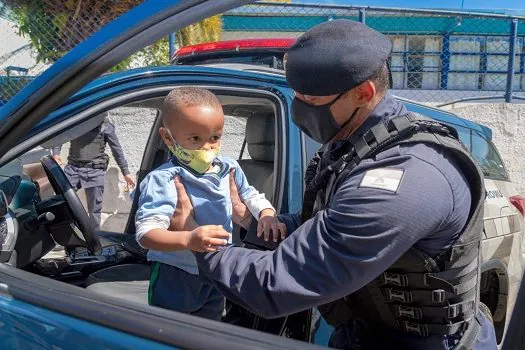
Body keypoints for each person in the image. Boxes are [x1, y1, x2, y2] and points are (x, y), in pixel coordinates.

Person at [170, 20, 498, 349]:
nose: (299, 108)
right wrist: (250, 219)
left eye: (310, 99)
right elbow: (325, 224)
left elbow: (275, 285)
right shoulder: (354, 147)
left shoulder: (404, 177)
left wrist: (198, 239)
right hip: (364, 335)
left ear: (364, 93)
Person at [134, 87, 285, 320]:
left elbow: (250, 194)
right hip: (176, 274)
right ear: (167, 138)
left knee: (210, 331)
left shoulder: (229, 168)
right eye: (195, 138)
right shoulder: (164, 179)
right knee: (169, 333)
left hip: (216, 271)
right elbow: (146, 234)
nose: (207, 147)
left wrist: (265, 212)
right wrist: (188, 239)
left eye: (215, 138)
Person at [53, 114, 135, 231]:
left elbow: (117, 150)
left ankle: (94, 238)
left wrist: (125, 172)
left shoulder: (105, 126)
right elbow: (60, 136)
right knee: (61, 202)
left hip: (94, 171)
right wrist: (56, 153)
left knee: (94, 210)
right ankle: (63, 233)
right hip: (73, 169)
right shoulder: (74, 121)